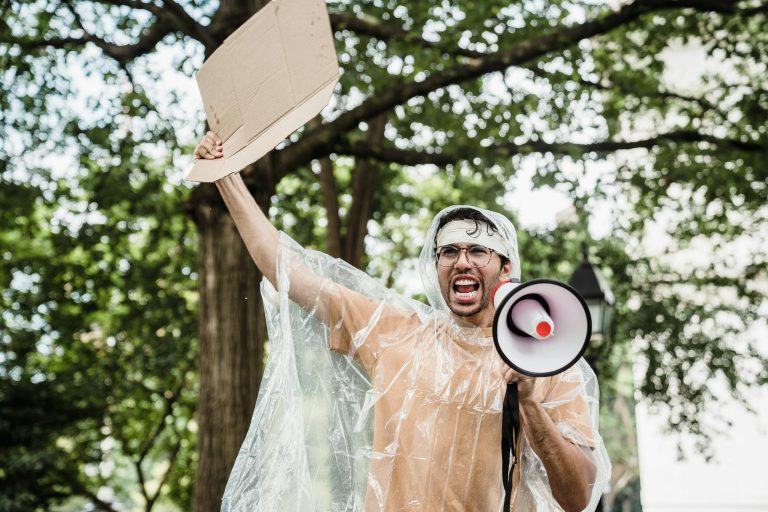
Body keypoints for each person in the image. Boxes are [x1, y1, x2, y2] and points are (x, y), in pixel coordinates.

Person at [194, 132, 611, 512]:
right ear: (436, 268)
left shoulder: (547, 360)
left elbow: (576, 497)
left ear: (505, 270)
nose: (461, 260)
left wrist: (530, 403)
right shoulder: (396, 331)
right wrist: (227, 177)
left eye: (478, 251)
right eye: (448, 252)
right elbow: (290, 272)